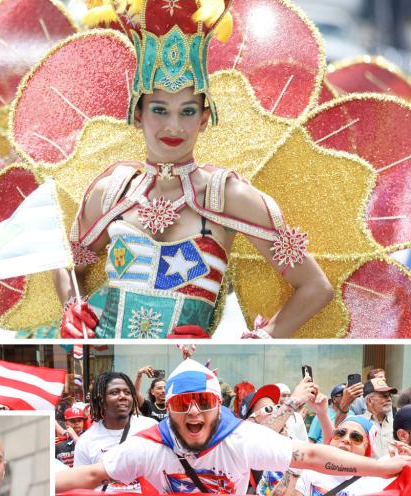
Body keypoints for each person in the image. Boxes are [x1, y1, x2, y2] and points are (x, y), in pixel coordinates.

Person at [50, 1, 330, 338]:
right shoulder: (113, 192)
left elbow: (315, 287)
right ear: (137, 115)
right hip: (107, 355)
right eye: (159, 110)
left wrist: (259, 340)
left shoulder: (225, 195)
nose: (174, 126)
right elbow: (67, 264)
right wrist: (73, 310)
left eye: (187, 111)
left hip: (189, 361)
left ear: (204, 118)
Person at [56, 360, 410, 495]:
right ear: (168, 410)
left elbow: (311, 455)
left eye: (203, 402)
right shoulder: (149, 445)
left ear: (218, 405)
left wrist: (382, 468)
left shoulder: (241, 438)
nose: (193, 412)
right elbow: (91, 475)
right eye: (182, 404)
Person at [272, 415, 411, 496]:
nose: (346, 439)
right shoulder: (309, 471)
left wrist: (401, 474)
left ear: (366, 447)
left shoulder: (373, 483)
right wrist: (295, 466)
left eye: (356, 437)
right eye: (340, 433)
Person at [73, 372, 158, 494]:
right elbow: (81, 487)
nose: (123, 396)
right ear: (101, 399)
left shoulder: (151, 427)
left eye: (127, 392)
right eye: (114, 392)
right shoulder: (86, 440)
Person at [362, 376, 398, 458]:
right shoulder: (358, 423)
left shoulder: (396, 423)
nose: (389, 399)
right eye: (384, 396)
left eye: (390, 396)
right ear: (369, 400)